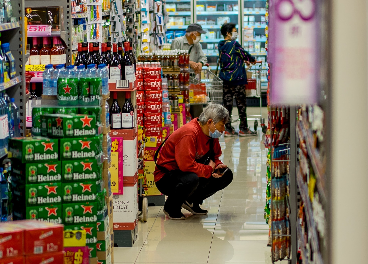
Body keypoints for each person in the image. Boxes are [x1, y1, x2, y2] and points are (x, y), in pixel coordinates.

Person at [154, 104, 233, 220]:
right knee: (191, 179)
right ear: (210, 122)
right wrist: (209, 169)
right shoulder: (189, 133)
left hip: (189, 171)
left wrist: (217, 165)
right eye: (222, 125)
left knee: (226, 175)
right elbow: (186, 166)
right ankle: (171, 207)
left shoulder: (211, 135)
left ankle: (190, 201)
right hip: (167, 177)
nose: (223, 129)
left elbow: (214, 156)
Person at [218, 23, 257, 137]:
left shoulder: (221, 45)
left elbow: (231, 57)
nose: (236, 33)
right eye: (234, 31)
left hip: (226, 79)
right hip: (237, 78)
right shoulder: (234, 44)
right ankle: (243, 129)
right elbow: (244, 54)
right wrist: (252, 59)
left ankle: (228, 129)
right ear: (228, 33)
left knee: (227, 105)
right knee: (241, 105)